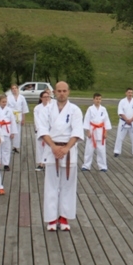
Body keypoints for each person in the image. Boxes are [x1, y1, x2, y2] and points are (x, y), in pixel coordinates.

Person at [38, 82, 84, 232]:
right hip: (52, 149)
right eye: (59, 91)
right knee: (51, 186)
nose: (62, 93)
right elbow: (42, 130)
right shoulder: (46, 110)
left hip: (69, 151)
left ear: (68, 92)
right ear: (54, 92)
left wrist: (66, 149)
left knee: (68, 186)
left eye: (64, 91)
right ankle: (51, 218)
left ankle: (64, 217)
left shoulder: (75, 110)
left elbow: (77, 131)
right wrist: (54, 147)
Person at [83, 93, 112, 172]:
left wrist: (106, 132)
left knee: (101, 150)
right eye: (96, 99)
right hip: (92, 130)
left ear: (101, 100)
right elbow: (87, 120)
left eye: (99, 99)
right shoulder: (90, 109)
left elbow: (106, 121)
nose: (98, 101)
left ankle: (102, 166)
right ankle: (86, 165)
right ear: (93, 99)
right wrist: (88, 131)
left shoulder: (103, 109)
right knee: (89, 149)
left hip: (101, 131)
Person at [114, 88, 133, 157]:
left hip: (132, 122)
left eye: (131, 93)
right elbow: (120, 112)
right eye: (129, 92)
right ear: (126, 93)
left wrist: (131, 120)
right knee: (119, 137)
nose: (130, 94)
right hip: (123, 122)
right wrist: (126, 120)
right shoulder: (122, 102)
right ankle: (117, 151)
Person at [0, 95, 17, 171]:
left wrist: (13, 132)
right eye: (3, 102)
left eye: (5, 102)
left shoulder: (9, 110)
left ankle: (6, 164)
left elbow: (13, 121)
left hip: (7, 130)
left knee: (7, 148)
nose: (4, 103)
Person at [6, 84, 30, 153]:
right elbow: (6, 108)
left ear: (18, 89)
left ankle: (15, 147)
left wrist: (23, 119)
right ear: (11, 90)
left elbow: (24, 108)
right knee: (10, 131)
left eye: (15, 88)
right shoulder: (8, 97)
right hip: (10, 116)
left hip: (18, 116)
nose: (14, 90)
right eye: (13, 89)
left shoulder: (22, 98)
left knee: (17, 132)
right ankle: (9, 146)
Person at [33, 91, 51, 172]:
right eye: (45, 97)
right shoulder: (37, 108)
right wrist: (40, 130)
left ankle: (47, 163)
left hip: (49, 130)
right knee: (40, 147)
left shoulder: (52, 107)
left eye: (48, 96)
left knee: (48, 147)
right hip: (40, 130)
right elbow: (36, 120)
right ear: (41, 98)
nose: (46, 98)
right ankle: (41, 163)